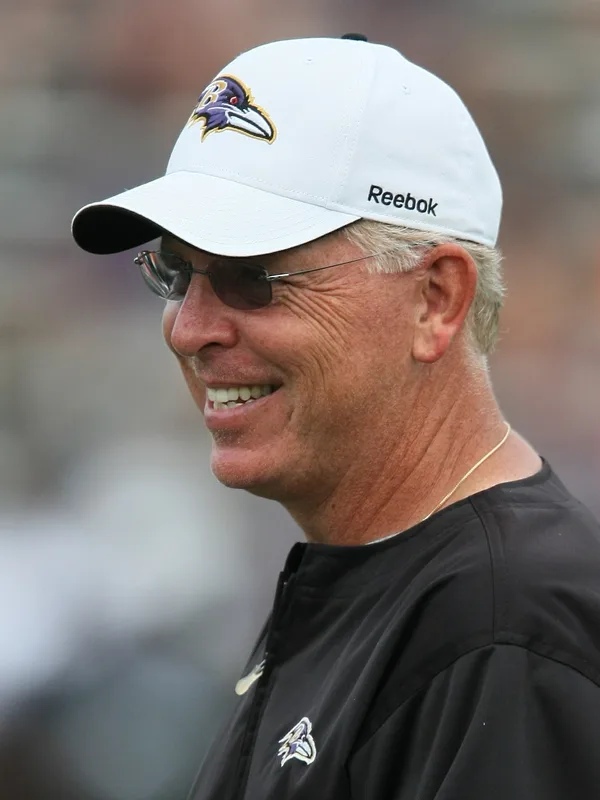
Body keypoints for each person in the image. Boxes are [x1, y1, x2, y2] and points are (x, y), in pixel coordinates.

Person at [72, 34, 600, 800]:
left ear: (435, 300)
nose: (189, 329)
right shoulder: (394, 581)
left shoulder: (506, 630)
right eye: (177, 273)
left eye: (252, 277)